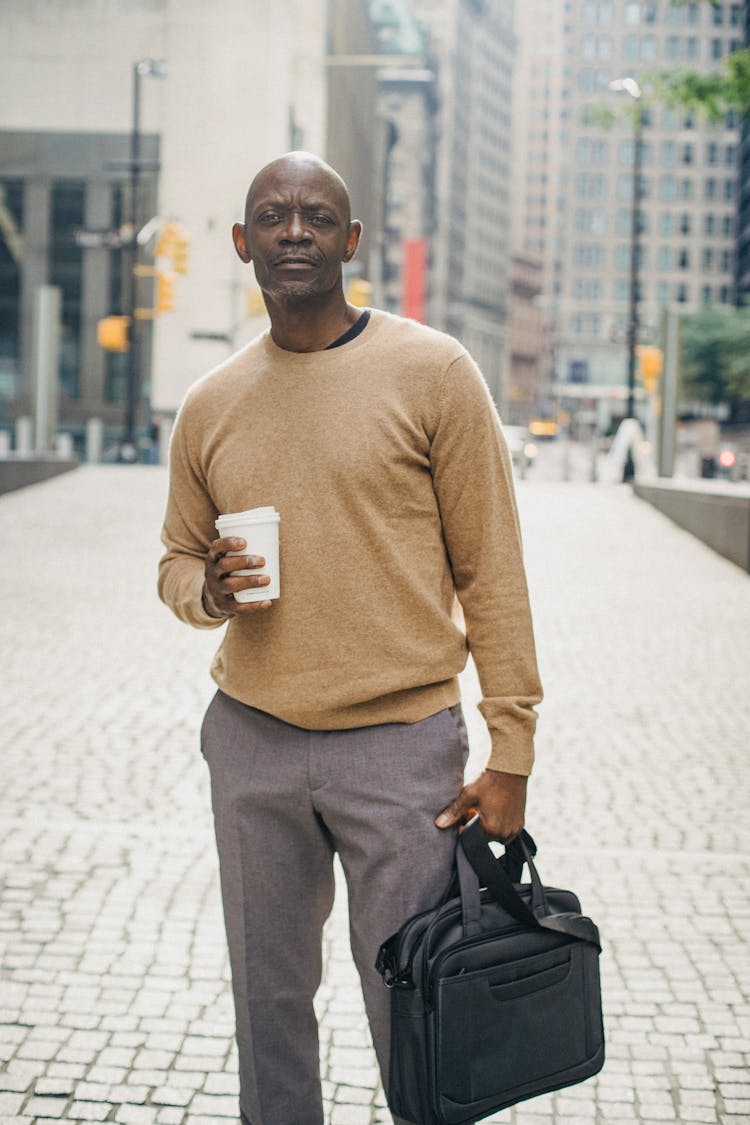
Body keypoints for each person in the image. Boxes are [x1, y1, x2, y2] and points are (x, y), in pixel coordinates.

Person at [158, 151, 542, 1125]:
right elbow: (173, 563)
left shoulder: (434, 372)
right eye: (273, 217)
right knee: (269, 998)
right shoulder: (210, 404)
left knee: (415, 995)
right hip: (252, 740)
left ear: (351, 240)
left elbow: (491, 569)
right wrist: (205, 588)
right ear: (243, 242)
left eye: (317, 217)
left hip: (401, 749)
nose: (294, 232)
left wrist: (512, 751)